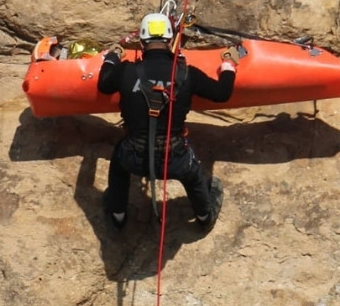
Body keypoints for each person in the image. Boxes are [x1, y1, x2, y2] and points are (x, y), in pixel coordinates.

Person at [97, 12, 238, 229]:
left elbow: (104, 84)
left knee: (118, 161)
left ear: (142, 43)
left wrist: (113, 56)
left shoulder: (125, 71)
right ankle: (204, 216)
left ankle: (117, 215)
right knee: (194, 175)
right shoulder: (188, 74)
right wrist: (228, 64)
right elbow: (222, 93)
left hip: (134, 156)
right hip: (175, 159)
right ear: (170, 41)